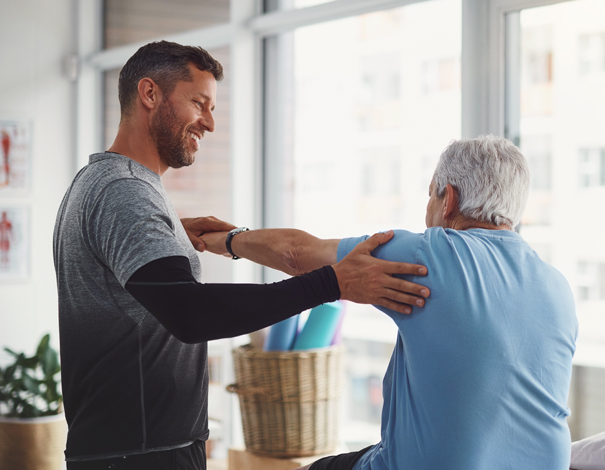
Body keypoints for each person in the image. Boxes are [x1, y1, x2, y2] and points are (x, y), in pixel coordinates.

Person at [52, 40, 430, 470]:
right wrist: (333, 282)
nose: (210, 123)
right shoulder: (125, 191)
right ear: (150, 94)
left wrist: (181, 232)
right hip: (139, 457)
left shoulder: (101, 181)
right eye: (200, 103)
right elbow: (191, 314)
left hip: (131, 451)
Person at [201, 135, 578, 470]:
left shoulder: (432, 254)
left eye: (431, 194)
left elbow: (297, 254)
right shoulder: (558, 287)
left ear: (449, 199)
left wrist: (224, 240)